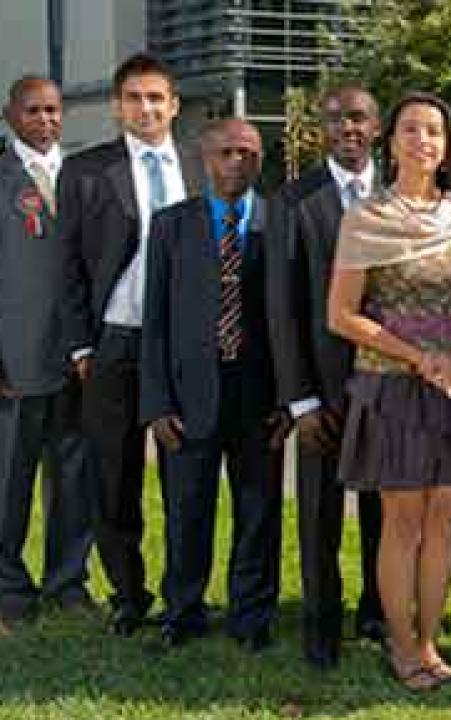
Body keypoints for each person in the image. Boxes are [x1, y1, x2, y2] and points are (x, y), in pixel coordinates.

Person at [327, 91, 451, 691]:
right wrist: (419, 357)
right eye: (409, 129)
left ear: (447, 143)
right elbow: (343, 315)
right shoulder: (366, 217)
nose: (422, 140)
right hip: (394, 387)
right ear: (391, 140)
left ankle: (430, 645)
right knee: (402, 522)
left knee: (447, 518)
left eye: (433, 131)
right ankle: (401, 648)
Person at [58, 52, 203, 636]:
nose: (146, 108)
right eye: (134, 98)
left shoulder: (199, 163)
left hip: (184, 348)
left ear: (174, 105)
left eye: (155, 98)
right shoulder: (87, 171)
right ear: (118, 106)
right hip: (113, 345)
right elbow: (65, 265)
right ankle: (128, 593)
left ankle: (182, 596)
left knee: (184, 476)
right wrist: (80, 348)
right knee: (113, 476)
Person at [139, 118, 289, 652]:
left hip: (259, 397)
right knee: (187, 509)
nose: (237, 162)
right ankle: (183, 610)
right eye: (226, 152)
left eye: (248, 153)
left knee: (258, 512)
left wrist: (289, 401)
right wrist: (156, 403)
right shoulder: (171, 227)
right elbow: (153, 318)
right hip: (188, 396)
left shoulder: (280, 223)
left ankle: (252, 616)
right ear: (205, 159)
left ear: (260, 160)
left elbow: (292, 318)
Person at [265, 82, 385, 669]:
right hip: (324, 392)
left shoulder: (401, 194)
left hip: (390, 389)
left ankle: (378, 614)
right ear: (322, 128)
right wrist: (302, 402)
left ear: (377, 126)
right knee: (320, 516)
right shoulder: (292, 202)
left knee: (384, 514)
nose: (348, 129)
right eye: (336, 120)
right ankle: (321, 627)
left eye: (359, 118)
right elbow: (281, 310)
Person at [0, 76, 94, 630]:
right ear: (11, 116)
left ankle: (68, 581)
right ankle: (8, 587)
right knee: (10, 478)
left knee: (75, 475)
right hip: (15, 362)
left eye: (54, 111)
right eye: (33, 111)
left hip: (75, 360)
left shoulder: (80, 176)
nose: (46, 121)